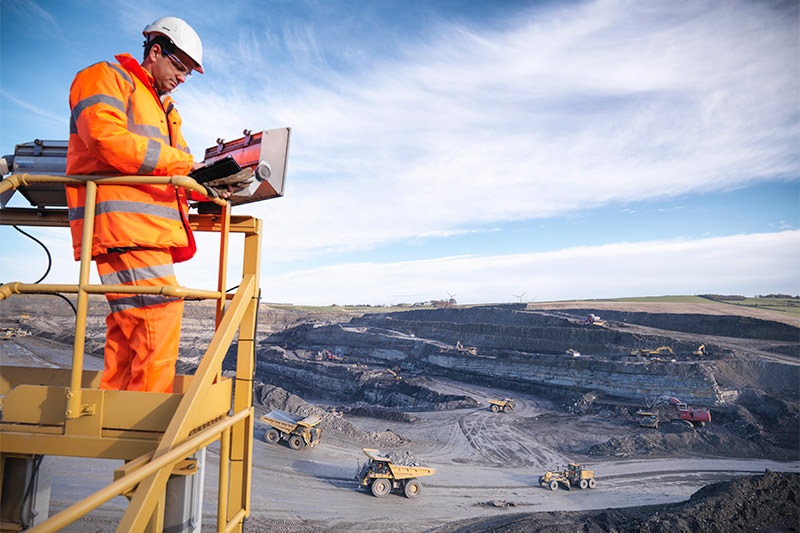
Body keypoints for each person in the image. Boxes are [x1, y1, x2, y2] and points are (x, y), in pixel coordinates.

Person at [65, 16, 207, 393]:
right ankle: (145, 429)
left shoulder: (167, 110)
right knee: (158, 316)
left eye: (189, 72)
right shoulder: (107, 77)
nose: (182, 78)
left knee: (129, 330)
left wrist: (211, 185)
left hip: (146, 232)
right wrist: (185, 166)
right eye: (179, 66)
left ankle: (112, 414)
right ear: (155, 51)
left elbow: (182, 163)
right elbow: (106, 140)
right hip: (123, 227)